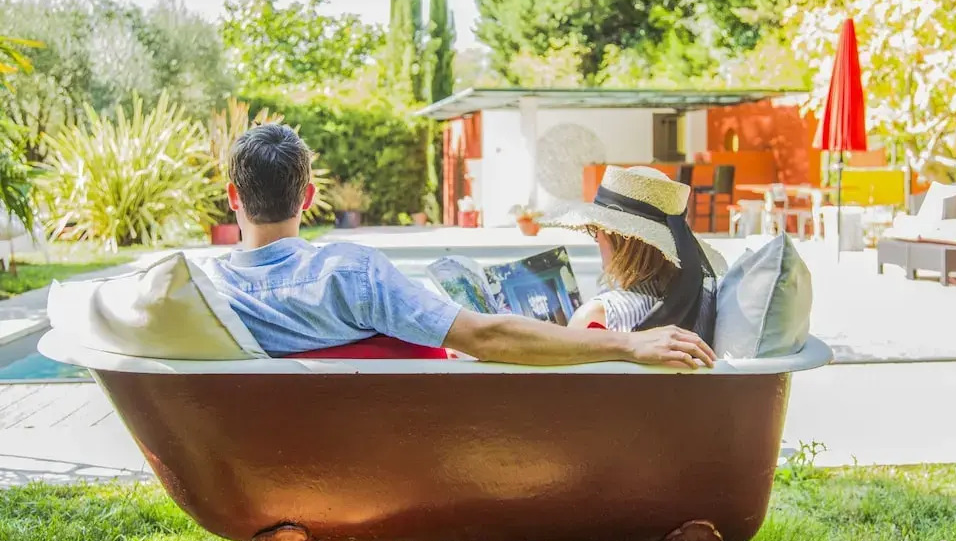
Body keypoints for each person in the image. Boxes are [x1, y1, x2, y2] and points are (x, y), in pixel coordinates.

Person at [203, 124, 714, 369]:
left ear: (233, 197)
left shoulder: (210, 296)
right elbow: (485, 337)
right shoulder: (352, 274)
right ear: (309, 197)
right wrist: (627, 344)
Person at [541, 166, 726, 340]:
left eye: (598, 228)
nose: (595, 237)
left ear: (622, 239)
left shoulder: (598, 315)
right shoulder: (695, 304)